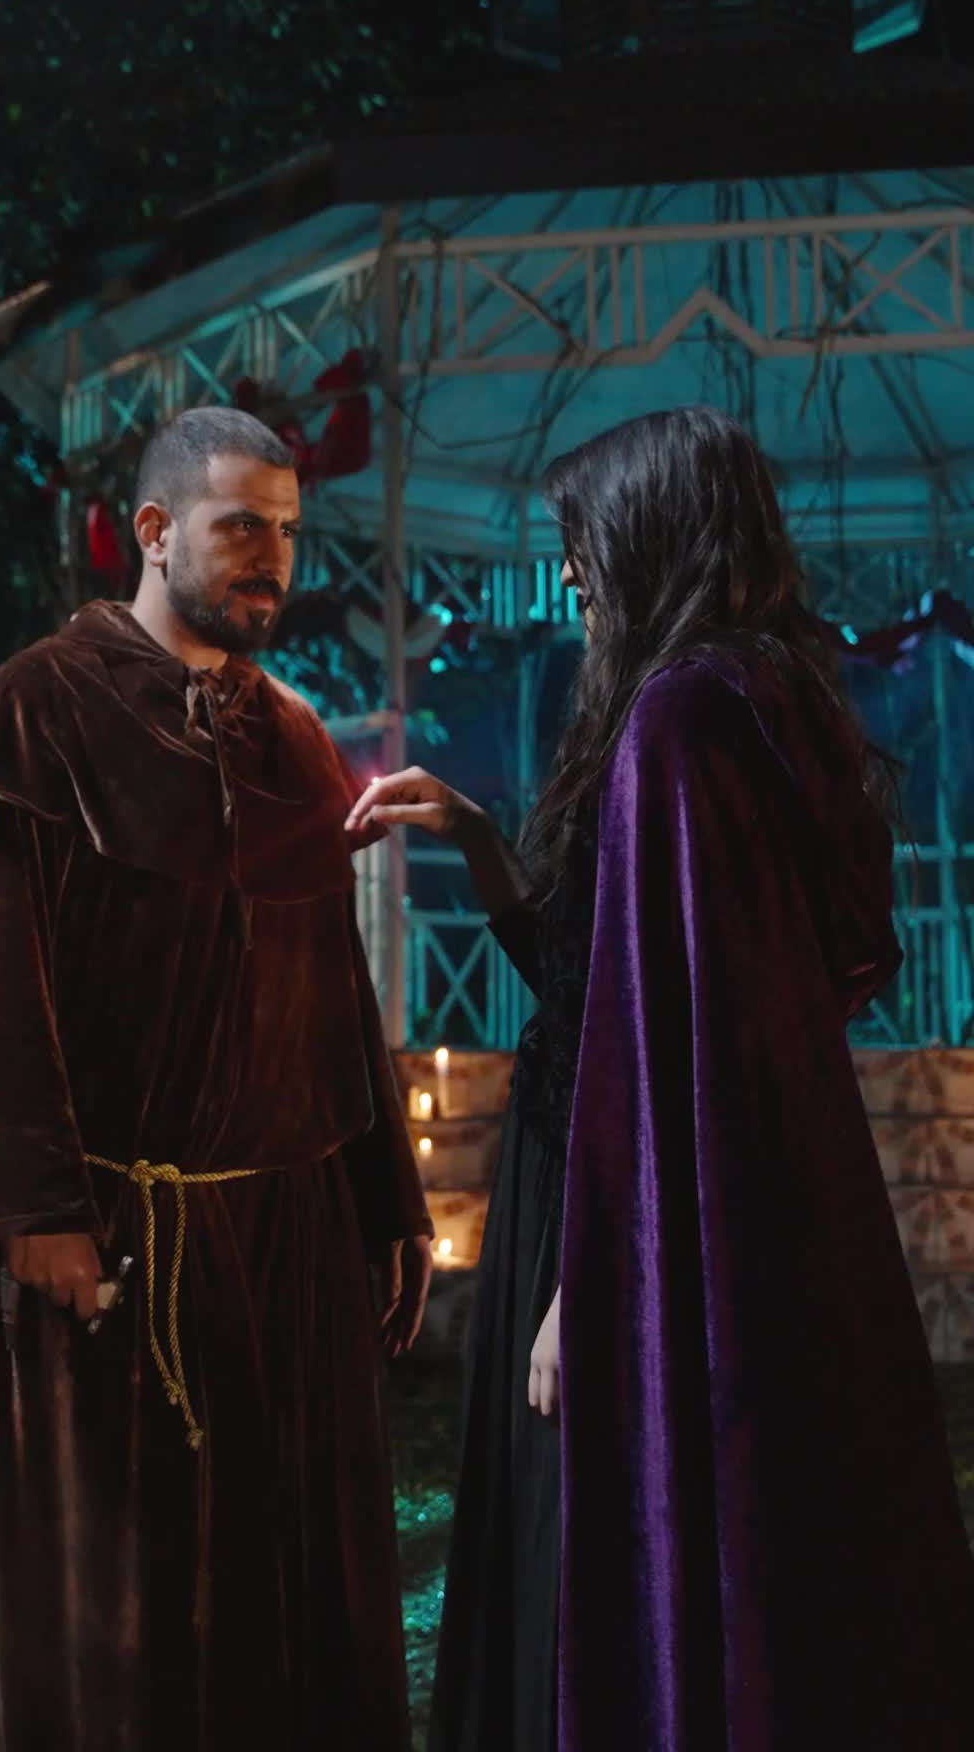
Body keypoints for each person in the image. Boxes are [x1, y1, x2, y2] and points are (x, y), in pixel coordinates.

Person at [345, 405, 974, 1752]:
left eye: (586, 547)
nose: (572, 575)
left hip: (627, 1209)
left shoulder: (683, 719)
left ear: (652, 536)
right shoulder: (761, 697)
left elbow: (666, 1044)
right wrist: (482, 842)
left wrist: (585, 1286)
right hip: (668, 1194)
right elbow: (621, 991)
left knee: (603, 1561)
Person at [0, 406, 433, 1752]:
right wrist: (32, 1210)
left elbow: (336, 989)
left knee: (296, 1607)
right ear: (154, 530)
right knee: (127, 1624)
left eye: (290, 531)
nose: (275, 558)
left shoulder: (294, 735)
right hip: (115, 1241)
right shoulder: (36, 711)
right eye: (242, 525)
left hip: (291, 1245)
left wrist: (386, 1199)